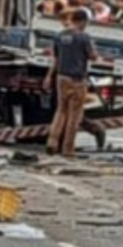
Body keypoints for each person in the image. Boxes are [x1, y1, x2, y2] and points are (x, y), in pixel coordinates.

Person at [45, 9, 98, 159]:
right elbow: (93, 56)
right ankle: (67, 149)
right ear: (83, 22)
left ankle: (52, 141)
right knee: (74, 116)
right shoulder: (84, 37)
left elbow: (55, 59)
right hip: (77, 80)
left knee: (60, 111)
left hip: (61, 77)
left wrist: (48, 77)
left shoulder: (59, 36)